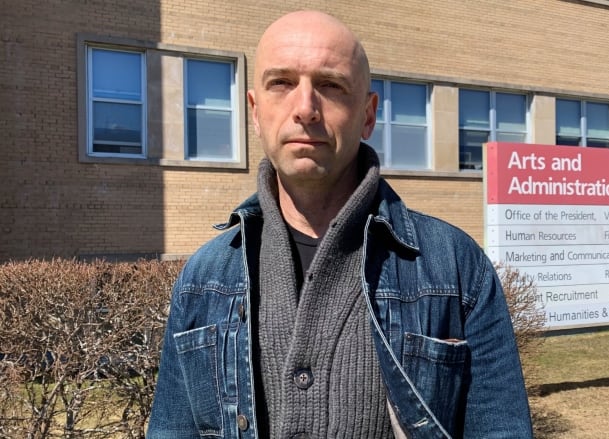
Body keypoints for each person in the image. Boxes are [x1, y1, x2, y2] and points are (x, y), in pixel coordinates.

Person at [147, 10, 533, 439]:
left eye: (330, 85)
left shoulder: (457, 270)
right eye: (282, 83)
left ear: (368, 114)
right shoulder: (202, 280)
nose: (305, 108)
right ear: (254, 111)